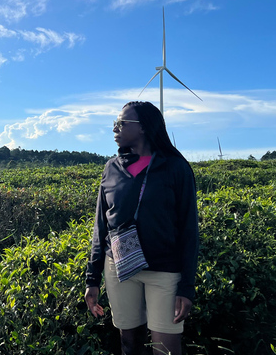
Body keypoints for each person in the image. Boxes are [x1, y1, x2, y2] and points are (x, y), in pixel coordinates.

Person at [85, 101, 199, 355]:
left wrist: (186, 287)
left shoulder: (176, 168)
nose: (115, 127)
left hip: (164, 271)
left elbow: (190, 230)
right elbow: (100, 226)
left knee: (166, 349)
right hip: (119, 267)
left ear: (144, 127)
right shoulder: (111, 168)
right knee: (130, 345)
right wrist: (92, 278)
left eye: (122, 122)